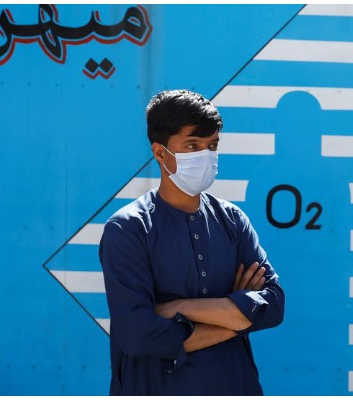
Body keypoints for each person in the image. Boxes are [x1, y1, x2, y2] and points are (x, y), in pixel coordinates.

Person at [99, 89, 284, 395]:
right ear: (160, 153)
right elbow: (138, 335)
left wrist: (180, 307)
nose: (205, 156)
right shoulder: (129, 229)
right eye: (192, 145)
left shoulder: (233, 221)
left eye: (212, 146)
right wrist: (237, 317)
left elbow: (273, 305)